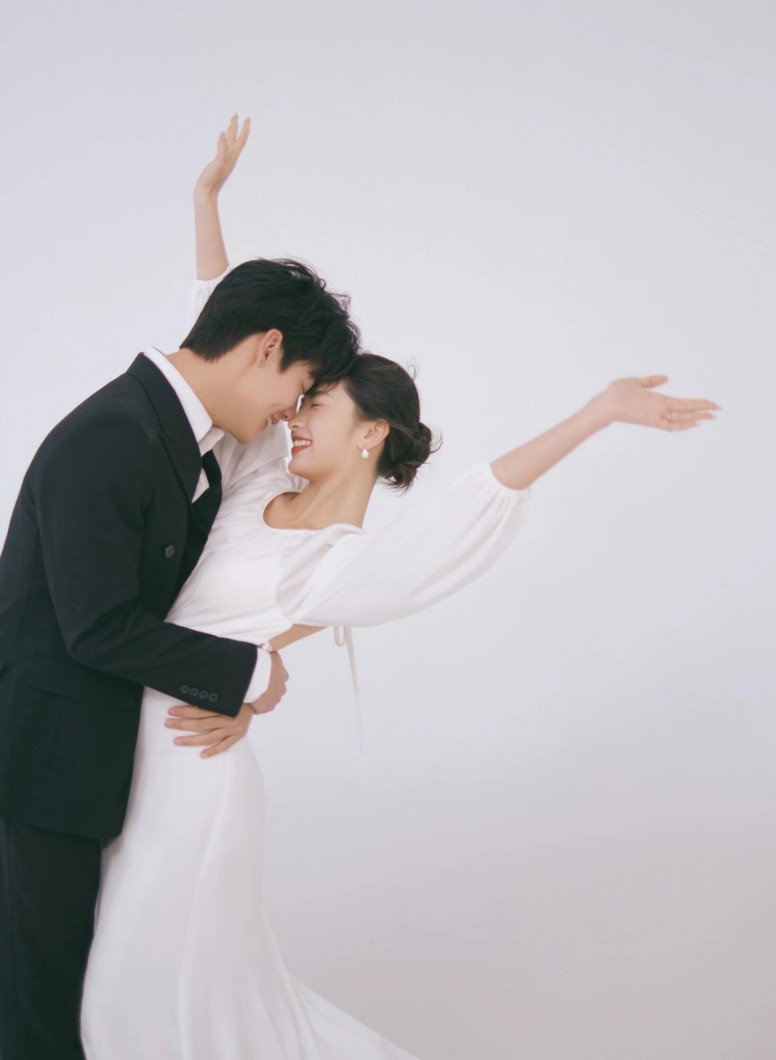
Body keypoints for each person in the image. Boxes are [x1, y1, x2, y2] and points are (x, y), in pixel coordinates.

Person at [77, 117, 720, 1058]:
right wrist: (206, 202)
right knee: (126, 988)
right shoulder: (257, 477)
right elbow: (220, 347)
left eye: (317, 404)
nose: (293, 413)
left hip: (189, 775)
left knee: (146, 997)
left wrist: (595, 413)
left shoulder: (342, 562)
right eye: (297, 398)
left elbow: (475, 499)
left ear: (371, 431)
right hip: (124, 747)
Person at [0, 115, 362, 1059]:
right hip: (36, 774)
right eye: (298, 387)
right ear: (264, 347)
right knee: (41, 1018)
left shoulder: (186, 431)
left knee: (84, 1010)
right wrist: (247, 674)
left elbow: (218, 306)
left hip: (89, 773)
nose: (288, 413)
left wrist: (206, 202)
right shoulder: (109, 439)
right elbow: (96, 627)